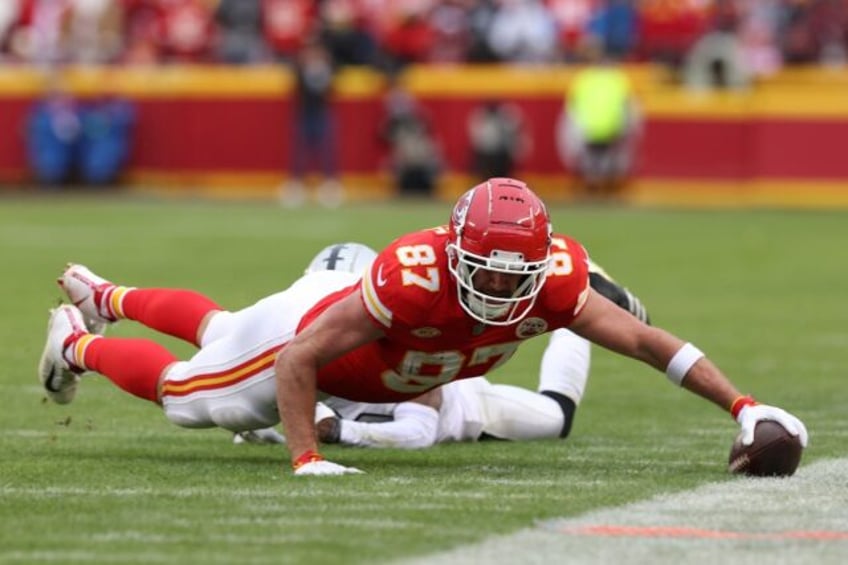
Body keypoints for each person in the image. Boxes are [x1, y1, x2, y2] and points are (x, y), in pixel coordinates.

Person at [39, 178, 808, 477]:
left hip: (360, 348)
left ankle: (109, 292)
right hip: (304, 338)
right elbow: (303, 354)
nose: (505, 286)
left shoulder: (559, 278)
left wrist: (743, 406)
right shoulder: (415, 277)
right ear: (457, 251)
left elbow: (646, 340)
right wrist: (305, 456)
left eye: (519, 273)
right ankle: (76, 340)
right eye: (490, 269)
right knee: (188, 391)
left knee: (214, 323)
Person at [234, 242, 650, 449]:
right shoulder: (305, 346)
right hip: (437, 380)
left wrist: (340, 431)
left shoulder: (394, 325)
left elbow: (420, 428)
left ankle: (584, 300)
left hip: (462, 400)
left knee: (557, 418)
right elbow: (263, 411)